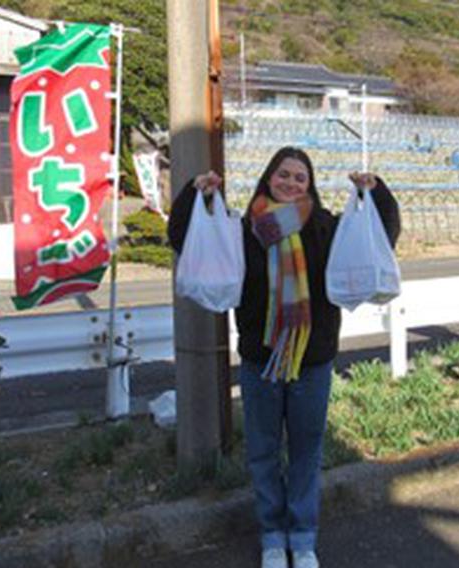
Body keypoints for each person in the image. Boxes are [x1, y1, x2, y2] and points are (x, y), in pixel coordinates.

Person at [168, 147, 400, 568]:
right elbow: (184, 237)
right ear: (268, 178)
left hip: (312, 360)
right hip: (261, 359)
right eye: (283, 175)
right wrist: (195, 196)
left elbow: (379, 237)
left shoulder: (326, 228)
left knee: (307, 451)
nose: (291, 183)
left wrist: (377, 193)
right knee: (263, 450)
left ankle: (304, 538)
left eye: (300, 178)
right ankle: (273, 537)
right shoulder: (242, 230)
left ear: (308, 185)